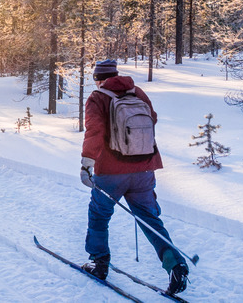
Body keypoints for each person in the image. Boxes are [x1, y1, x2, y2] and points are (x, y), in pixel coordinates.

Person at [79, 59, 189, 295]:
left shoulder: (98, 97)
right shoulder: (137, 92)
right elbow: (153, 119)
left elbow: (94, 131)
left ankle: (98, 263)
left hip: (110, 171)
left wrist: (87, 162)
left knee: (99, 216)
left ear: (98, 78)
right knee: (150, 219)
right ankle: (176, 265)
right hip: (143, 169)